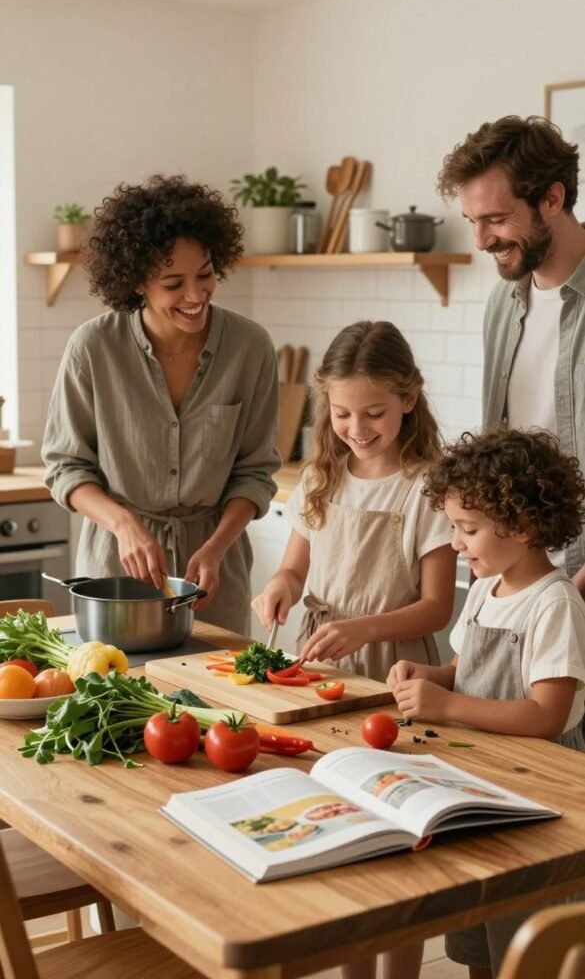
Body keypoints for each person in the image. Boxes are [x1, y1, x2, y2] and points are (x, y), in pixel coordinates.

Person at [252, 319, 456, 979]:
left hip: (395, 676)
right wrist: (279, 587)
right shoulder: (323, 474)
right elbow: (293, 567)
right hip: (320, 671)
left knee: (398, 845)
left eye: (372, 412)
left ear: (408, 398)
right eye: (341, 413)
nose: (356, 428)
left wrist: (365, 627)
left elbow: (436, 606)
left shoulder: (428, 486)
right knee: (340, 831)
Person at [42, 174, 280, 635]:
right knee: (115, 695)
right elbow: (66, 467)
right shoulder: (93, 347)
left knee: (218, 698)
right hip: (116, 568)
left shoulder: (250, 348)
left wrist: (216, 547)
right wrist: (124, 524)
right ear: (137, 284)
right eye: (174, 283)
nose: (196, 295)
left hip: (214, 574)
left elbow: (254, 472)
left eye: (206, 274)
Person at [389, 427, 585, 979]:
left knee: (524, 937)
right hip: (482, 780)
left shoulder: (554, 604)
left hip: (542, 791)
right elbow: (465, 671)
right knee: (478, 925)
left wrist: (445, 707)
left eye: (468, 529)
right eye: (454, 526)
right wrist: (431, 676)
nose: (455, 543)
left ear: (522, 527)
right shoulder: (483, 589)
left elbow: (545, 716)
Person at [437, 114, 585, 593]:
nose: (481, 241)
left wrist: (574, 590)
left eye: (497, 220)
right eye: (472, 222)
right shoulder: (504, 302)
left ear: (553, 199)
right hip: (523, 576)